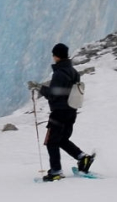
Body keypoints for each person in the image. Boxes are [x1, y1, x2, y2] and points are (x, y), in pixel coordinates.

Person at [37, 42, 92, 182]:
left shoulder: (59, 73)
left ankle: (56, 171)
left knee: (51, 142)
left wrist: (40, 89)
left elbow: (54, 94)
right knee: (62, 139)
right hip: (71, 111)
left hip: (59, 112)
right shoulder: (73, 72)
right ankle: (83, 157)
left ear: (57, 56)